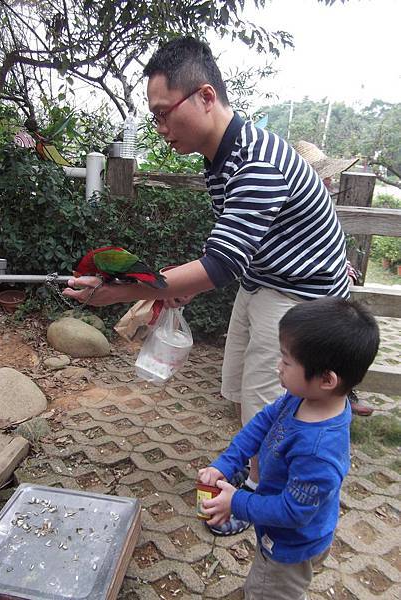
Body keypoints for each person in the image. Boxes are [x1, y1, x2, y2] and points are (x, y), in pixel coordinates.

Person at [64, 37, 350, 535]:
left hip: (300, 298)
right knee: (240, 388)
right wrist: (183, 287)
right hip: (263, 282)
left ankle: (262, 506)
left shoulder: (257, 162)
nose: (158, 127)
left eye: (161, 113)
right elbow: (235, 252)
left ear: (204, 96)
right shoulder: (221, 158)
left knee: (269, 399)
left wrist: (123, 291)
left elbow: (218, 263)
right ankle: (245, 473)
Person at [198, 297, 380, 600]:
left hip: (289, 549)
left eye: (286, 361)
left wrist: (238, 502)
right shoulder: (304, 398)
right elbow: (262, 422)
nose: (277, 366)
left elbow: (293, 512)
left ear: (326, 379)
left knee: (271, 590)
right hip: (278, 532)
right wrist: (226, 463)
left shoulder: (319, 451)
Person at [293, 141, 374, 417]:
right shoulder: (297, 204)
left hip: (329, 286)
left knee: (336, 341)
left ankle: (341, 393)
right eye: (323, 174)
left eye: (328, 175)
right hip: (312, 290)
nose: (329, 181)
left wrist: (342, 263)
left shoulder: (319, 200)